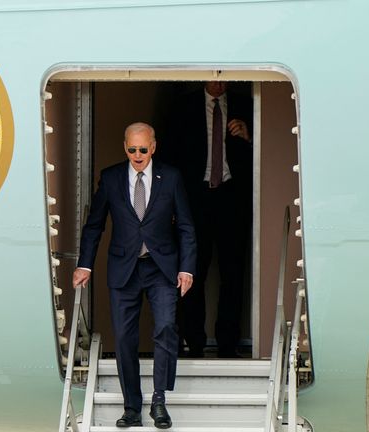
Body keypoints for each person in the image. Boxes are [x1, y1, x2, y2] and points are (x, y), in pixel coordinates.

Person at [72, 122, 196, 429]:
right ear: (124, 147)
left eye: (143, 149)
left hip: (161, 266)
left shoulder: (171, 177)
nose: (137, 155)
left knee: (166, 328)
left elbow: (185, 226)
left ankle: (159, 400)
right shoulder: (112, 177)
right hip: (123, 267)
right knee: (125, 338)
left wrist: (187, 267)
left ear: (153, 147)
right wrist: (85, 264)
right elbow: (94, 225)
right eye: (132, 149)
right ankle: (131, 406)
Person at [169, 81, 253, 358]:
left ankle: (228, 344)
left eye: (223, 75)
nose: (218, 82)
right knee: (193, 272)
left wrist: (249, 136)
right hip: (195, 200)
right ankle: (193, 343)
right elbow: (171, 155)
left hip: (233, 198)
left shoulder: (247, 103)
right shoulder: (183, 105)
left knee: (233, 273)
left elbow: (269, 148)